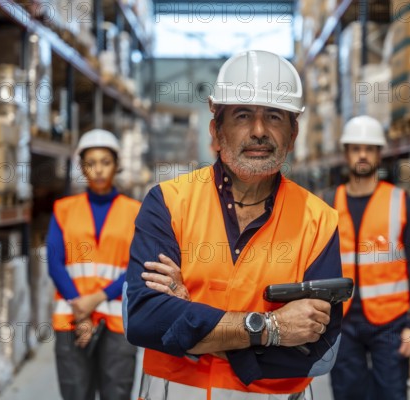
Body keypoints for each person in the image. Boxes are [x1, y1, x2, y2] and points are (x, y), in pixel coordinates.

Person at [123, 50, 343, 400]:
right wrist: (272, 327)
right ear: (216, 128)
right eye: (243, 115)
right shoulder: (167, 203)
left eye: (274, 116)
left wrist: (188, 322)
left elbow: (316, 351)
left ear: (293, 132)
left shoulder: (319, 221)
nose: (258, 131)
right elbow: (145, 320)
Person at [326, 116, 410, 400]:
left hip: (391, 323)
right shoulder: (327, 206)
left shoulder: (400, 202)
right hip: (343, 322)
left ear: (379, 154)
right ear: (346, 153)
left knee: (391, 393)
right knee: (348, 394)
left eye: (370, 148)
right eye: (356, 148)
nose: (362, 155)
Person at [47, 129, 141, 400]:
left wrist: (96, 298)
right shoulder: (64, 209)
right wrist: (80, 308)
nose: (98, 170)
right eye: (91, 163)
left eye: (105, 162)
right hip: (73, 318)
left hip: (118, 322)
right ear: (81, 167)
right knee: (76, 393)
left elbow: (139, 266)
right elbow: (54, 262)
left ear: (116, 165)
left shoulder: (136, 211)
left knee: (117, 393)